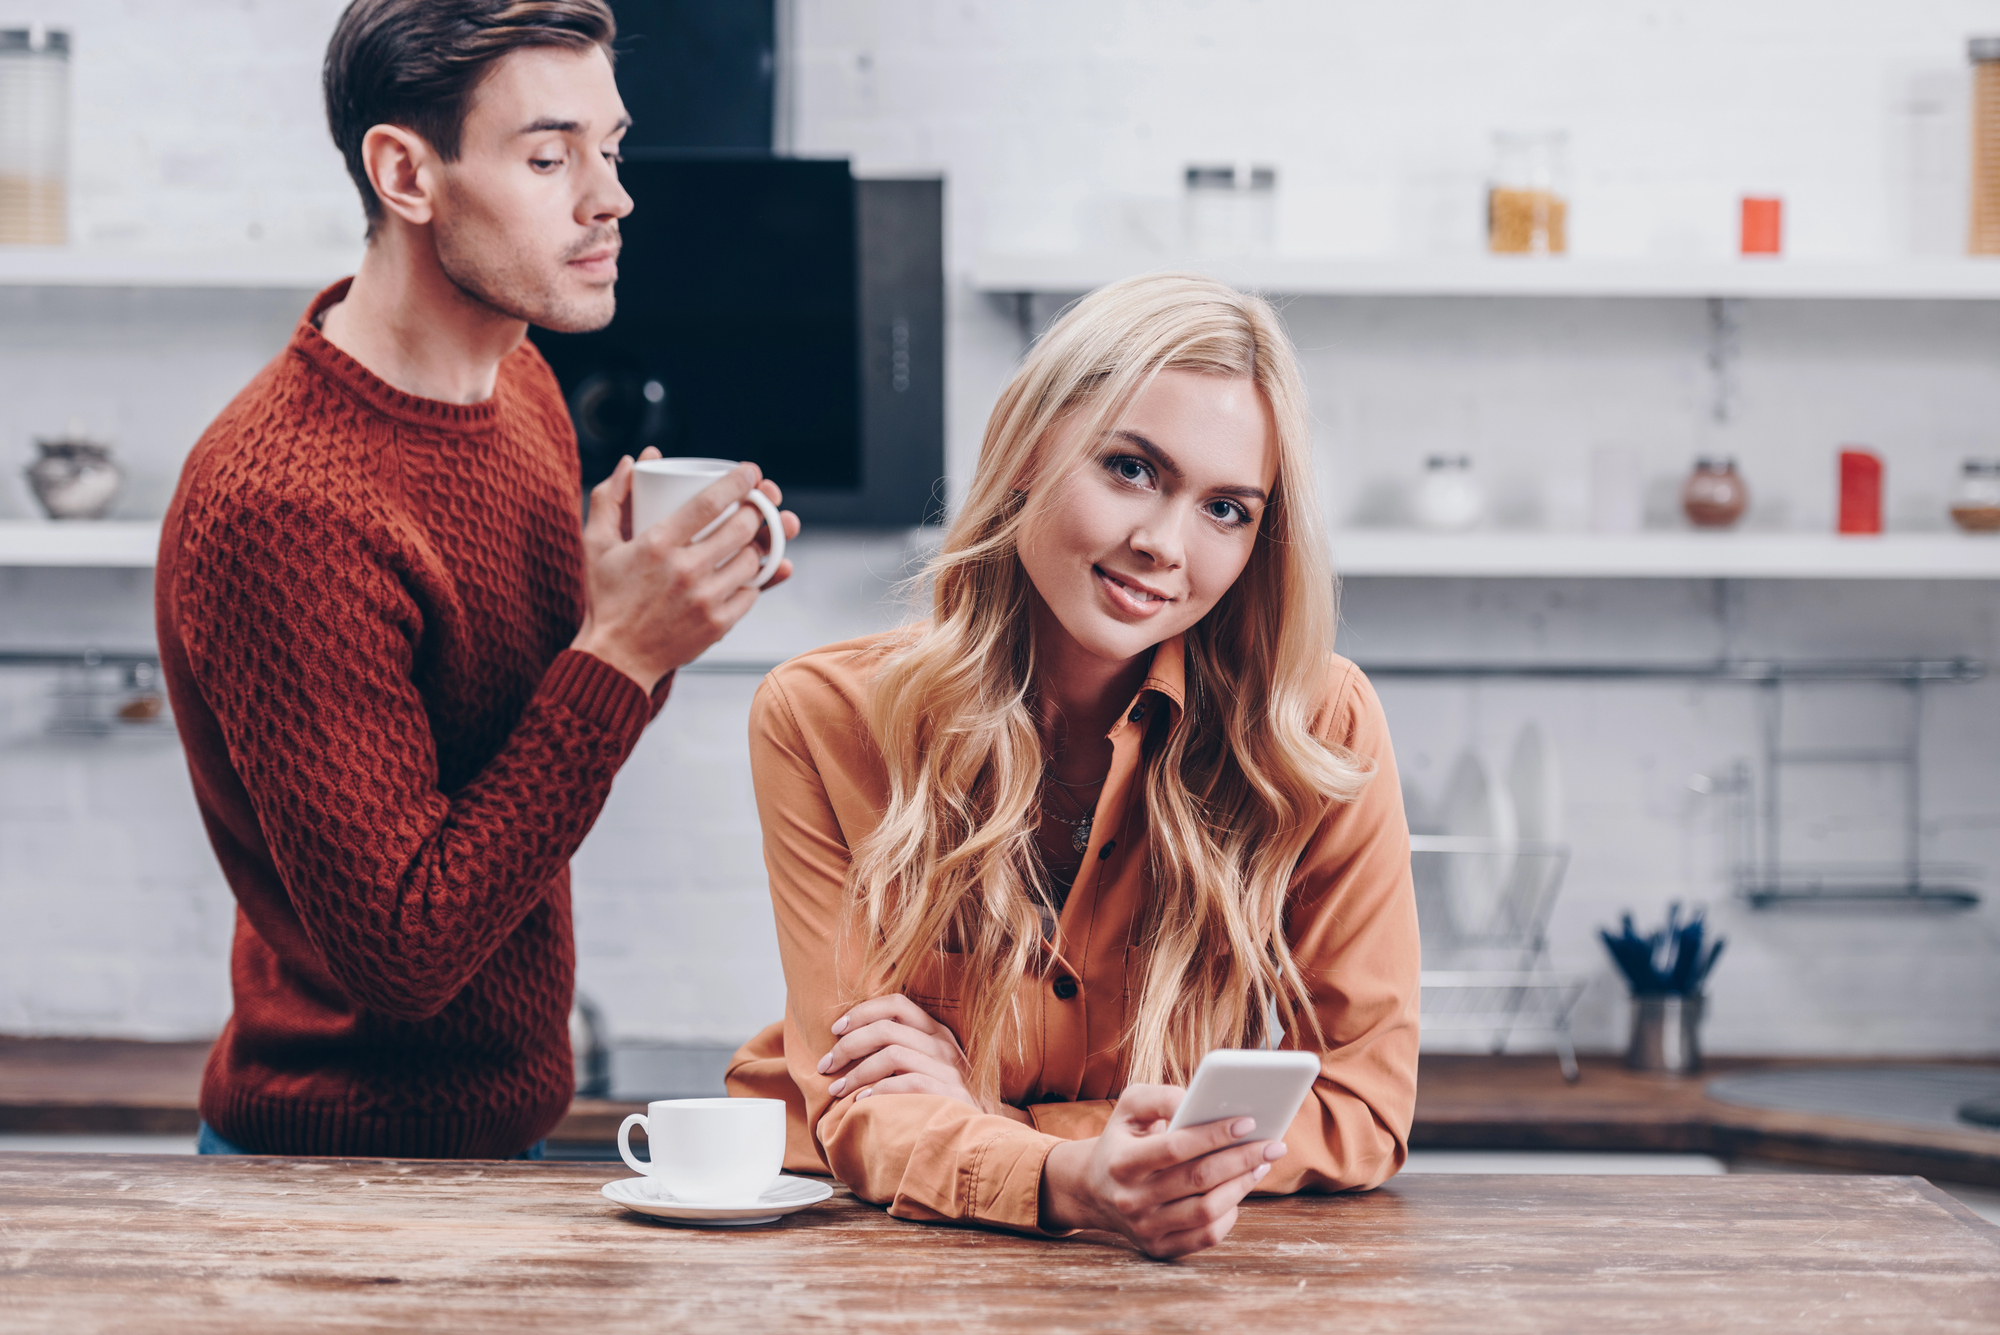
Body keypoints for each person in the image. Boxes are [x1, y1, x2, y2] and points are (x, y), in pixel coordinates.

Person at [156, 0, 797, 1160]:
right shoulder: (283, 504)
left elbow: (524, 760)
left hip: (499, 1136)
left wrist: (641, 612)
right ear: (406, 172)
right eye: (550, 157)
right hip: (323, 1171)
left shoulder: (522, 389)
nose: (611, 198)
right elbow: (405, 950)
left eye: (611, 149)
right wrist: (623, 654)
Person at [726, 273, 1418, 1258]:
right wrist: (1076, 1176)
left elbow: (1363, 1105)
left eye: (1225, 509)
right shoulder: (822, 721)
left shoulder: (1314, 725)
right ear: (1026, 451)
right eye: (1131, 469)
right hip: (880, 1260)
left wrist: (1006, 1133)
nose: (1162, 546)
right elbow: (858, 1104)